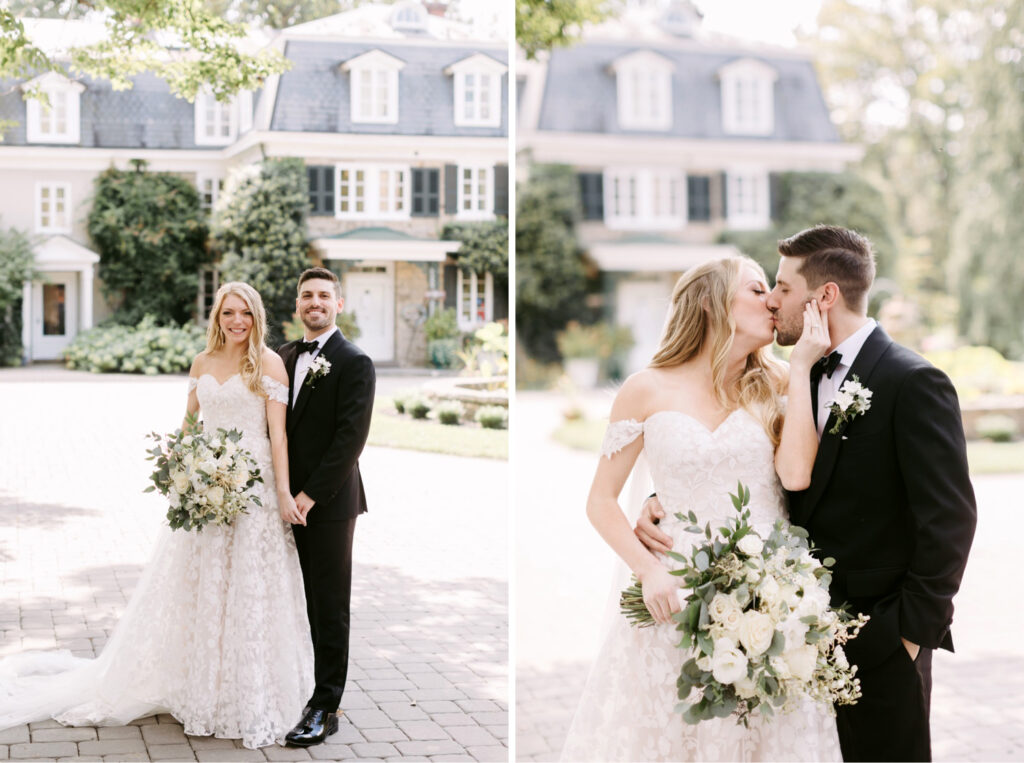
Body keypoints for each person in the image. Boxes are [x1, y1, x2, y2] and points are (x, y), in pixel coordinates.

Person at [637, 225, 977, 761]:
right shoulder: (789, 374)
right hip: (784, 637)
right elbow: (737, 457)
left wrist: (909, 637)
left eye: (782, 288)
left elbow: (950, 520)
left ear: (825, 296)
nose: (772, 301)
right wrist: (662, 499)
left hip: (879, 639)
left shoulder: (912, 381)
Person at [0, 281, 313, 749]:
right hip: (207, 487)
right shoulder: (202, 363)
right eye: (228, 313)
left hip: (255, 490)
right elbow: (189, 424)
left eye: (244, 313)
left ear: (257, 316)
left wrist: (284, 493)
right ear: (217, 317)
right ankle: (198, 686)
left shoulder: (268, 364)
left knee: (249, 587)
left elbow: (279, 436)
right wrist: (184, 470)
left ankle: (246, 690)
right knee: (203, 584)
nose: (237, 322)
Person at [561, 255, 840, 762]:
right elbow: (600, 501)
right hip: (673, 601)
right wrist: (647, 570)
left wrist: (800, 369)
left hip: (769, 595)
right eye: (758, 290)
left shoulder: (779, 382)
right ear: (714, 304)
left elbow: (796, 475)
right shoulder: (646, 388)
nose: (773, 301)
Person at [277, 268, 375, 748]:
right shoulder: (283, 355)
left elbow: (349, 440)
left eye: (323, 295)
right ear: (297, 304)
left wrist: (309, 495)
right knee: (284, 597)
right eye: (306, 295)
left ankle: (325, 705)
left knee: (328, 604)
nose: (314, 302)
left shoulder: (354, 361)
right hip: (279, 502)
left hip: (329, 505)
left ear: (338, 304)